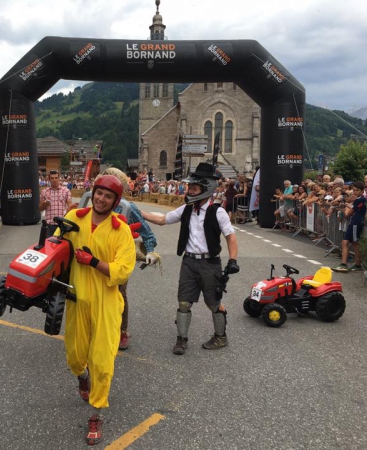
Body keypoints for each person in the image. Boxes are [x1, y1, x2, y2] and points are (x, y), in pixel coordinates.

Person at [61, 175, 136, 445]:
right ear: (92, 193)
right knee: (74, 354)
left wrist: (92, 261)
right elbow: (55, 248)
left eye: (108, 196)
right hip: (77, 296)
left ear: (116, 201)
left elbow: (124, 269)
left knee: (103, 362)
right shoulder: (75, 216)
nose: (101, 199)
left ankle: (96, 415)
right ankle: (82, 377)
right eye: (99, 193)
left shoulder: (120, 230)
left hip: (106, 302)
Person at [141, 163, 239, 355]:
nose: (190, 190)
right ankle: (181, 339)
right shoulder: (186, 209)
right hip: (189, 262)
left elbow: (230, 236)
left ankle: (220, 337)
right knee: (184, 302)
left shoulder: (217, 212)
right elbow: (162, 219)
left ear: (206, 188)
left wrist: (232, 260)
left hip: (210, 263)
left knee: (213, 302)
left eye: (194, 187)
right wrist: (138, 213)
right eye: (190, 187)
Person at [102, 167, 159, 350]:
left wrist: (150, 251)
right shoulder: (94, 202)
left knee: (119, 293)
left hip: (121, 258)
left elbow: (148, 234)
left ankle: (122, 331)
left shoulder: (127, 207)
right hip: (96, 255)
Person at [333, 181, 367, 273]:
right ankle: (347, 264)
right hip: (354, 222)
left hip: (356, 223)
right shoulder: (359, 200)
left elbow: (349, 213)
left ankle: (355, 264)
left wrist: (344, 208)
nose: (355, 192)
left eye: (357, 190)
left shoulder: (360, 200)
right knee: (346, 242)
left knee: (354, 243)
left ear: (362, 191)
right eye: (354, 190)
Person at [39, 170, 74, 236]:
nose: (54, 180)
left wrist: (71, 209)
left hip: (61, 224)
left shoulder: (66, 191)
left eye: (56, 178)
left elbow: (70, 204)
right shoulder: (44, 192)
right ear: (49, 179)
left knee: (61, 245)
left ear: (59, 178)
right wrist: (45, 204)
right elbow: (40, 208)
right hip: (49, 225)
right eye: (52, 178)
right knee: (48, 245)